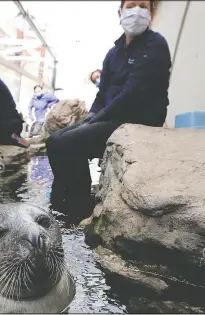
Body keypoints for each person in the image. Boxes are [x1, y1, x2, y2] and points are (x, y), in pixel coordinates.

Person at [46, 0, 171, 220]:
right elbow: (101, 93)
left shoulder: (155, 45)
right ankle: (59, 201)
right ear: (120, 12)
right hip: (111, 118)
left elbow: (132, 93)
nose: (137, 11)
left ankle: (78, 207)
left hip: (138, 120)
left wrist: (98, 118)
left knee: (70, 142)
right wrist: (91, 116)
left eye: (143, 6)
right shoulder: (113, 53)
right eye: (131, 5)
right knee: (54, 140)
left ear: (151, 13)